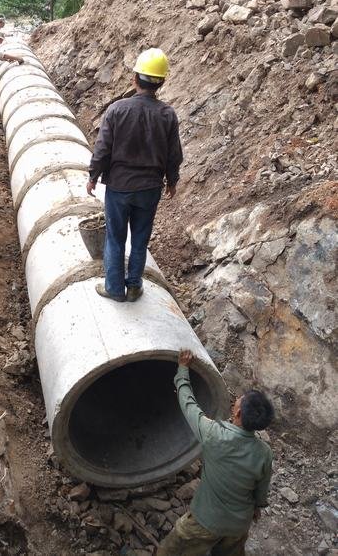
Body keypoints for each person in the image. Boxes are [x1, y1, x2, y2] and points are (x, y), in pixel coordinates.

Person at [87, 48, 183, 302]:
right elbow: (174, 154)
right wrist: (172, 180)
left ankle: (114, 288)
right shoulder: (167, 114)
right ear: (161, 82)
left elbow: (102, 148)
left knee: (115, 238)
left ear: (134, 79)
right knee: (140, 240)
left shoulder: (117, 110)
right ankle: (134, 287)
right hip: (150, 189)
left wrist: (93, 176)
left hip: (119, 187)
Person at [156, 349, 274, 556]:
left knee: (171, 550)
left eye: (240, 399)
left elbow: (188, 403)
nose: (237, 399)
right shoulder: (264, 452)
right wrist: (257, 507)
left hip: (205, 521)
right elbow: (261, 489)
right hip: (239, 525)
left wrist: (182, 369)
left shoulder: (214, 434)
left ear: (238, 412)